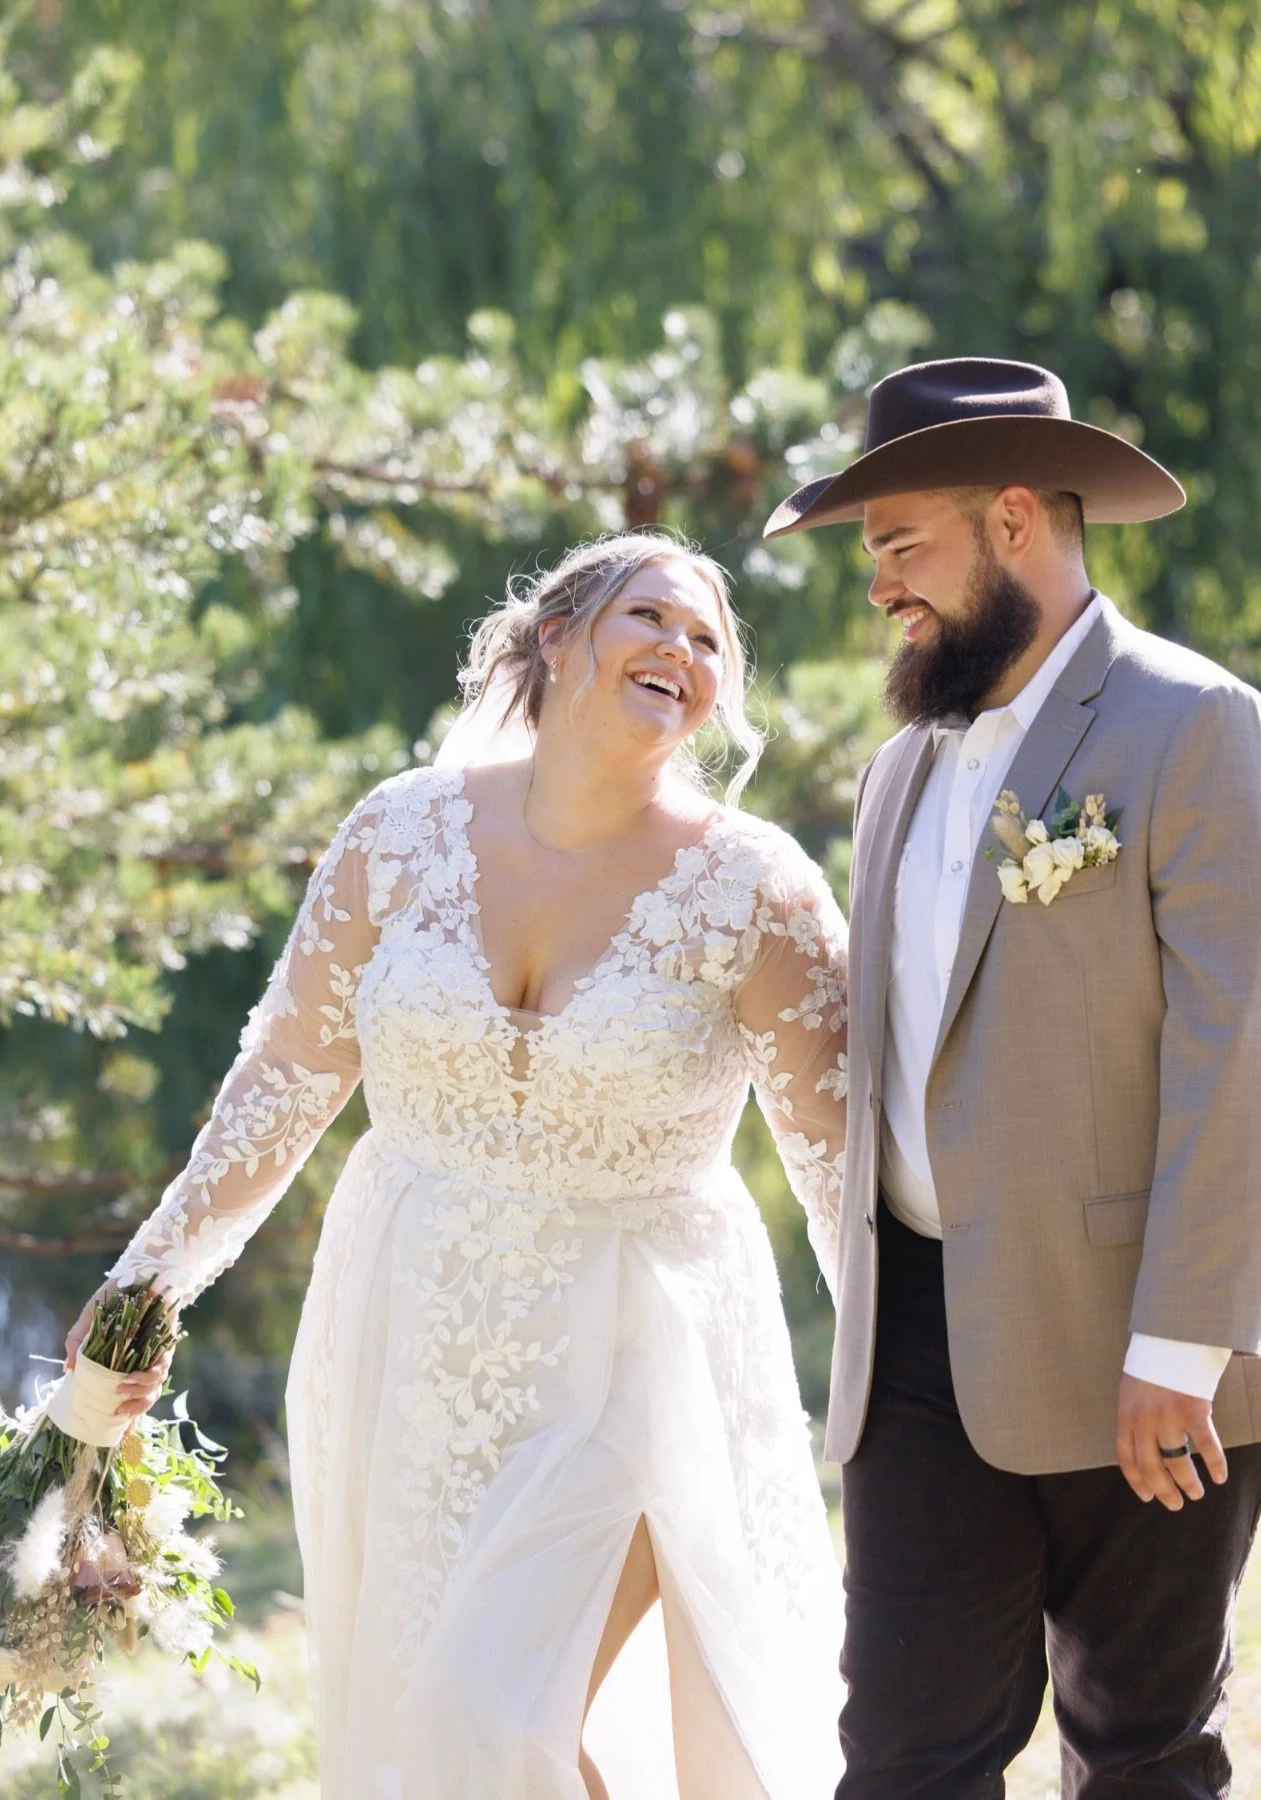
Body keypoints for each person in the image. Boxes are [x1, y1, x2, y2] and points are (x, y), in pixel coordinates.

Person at [67, 532, 850, 1800]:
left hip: (637, 1351)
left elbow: (839, 1179)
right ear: (555, 640)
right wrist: (150, 1278)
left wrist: (919, 1397)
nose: (683, 652)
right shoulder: (400, 834)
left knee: (483, 1714)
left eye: (710, 640)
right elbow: (285, 1077)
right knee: (445, 1747)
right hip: (414, 1328)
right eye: (650, 616)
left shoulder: (756, 892)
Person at [765, 356, 1261, 1798]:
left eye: (898, 544)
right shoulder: (895, 772)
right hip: (916, 1342)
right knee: (903, 1756)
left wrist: (1178, 1347)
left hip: (1137, 1353)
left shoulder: (1195, 725)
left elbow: (1237, 1048)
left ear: (1017, 520)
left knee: (1139, 1755)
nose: (878, 589)